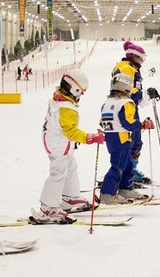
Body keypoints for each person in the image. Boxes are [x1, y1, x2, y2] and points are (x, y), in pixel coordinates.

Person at [31, 69, 104, 223]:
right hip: (59, 144)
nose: (81, 95)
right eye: (80, 92)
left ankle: (70, 197)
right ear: (73, 88)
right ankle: (48, 208)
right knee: (58, 173)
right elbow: (71, 131)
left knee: (71, 167)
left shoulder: (60, 100)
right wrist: (89, 138)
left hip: (56, 140)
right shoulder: (65, 107)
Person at [111, 40, 159, 186]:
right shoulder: (125, 68)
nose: (142, 61)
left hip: (131, 107)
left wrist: (145, 94)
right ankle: (125, 172)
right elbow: (123, 89)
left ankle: (130, 170)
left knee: (136, 141)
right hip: (125, 109)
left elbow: (133, 90)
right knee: (130, 142)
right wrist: (141, 94)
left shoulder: (132, 68)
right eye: (141, 58)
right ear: (133, 56)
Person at [98, 73, 147, 204]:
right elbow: (128, 123)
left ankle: (125, 188)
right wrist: (141, 125)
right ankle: (107, 193)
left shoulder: (107, 103)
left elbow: (101, 121)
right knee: (118, 166)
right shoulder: (126, 103)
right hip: (121, 138)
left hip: (111, 138)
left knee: (127, 163)